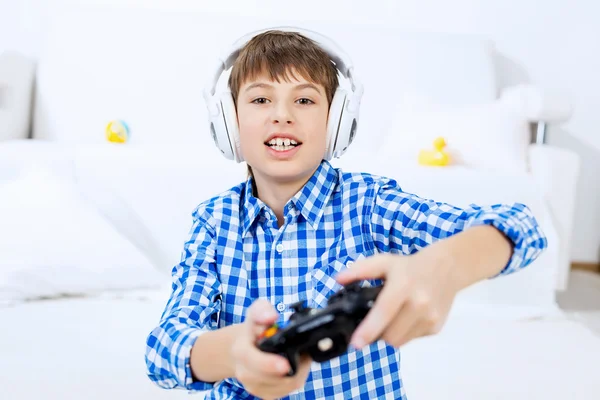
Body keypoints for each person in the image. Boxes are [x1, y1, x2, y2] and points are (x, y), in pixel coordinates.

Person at [145, 27, 548, 400]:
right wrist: (231, 352)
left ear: (337, 122)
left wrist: (445, 265)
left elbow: (523, 225)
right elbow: (163, 351)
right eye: (260, 99)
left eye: (304, 100)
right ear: (228, 122)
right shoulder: (214, 223)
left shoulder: (369, 204)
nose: (282, 114)